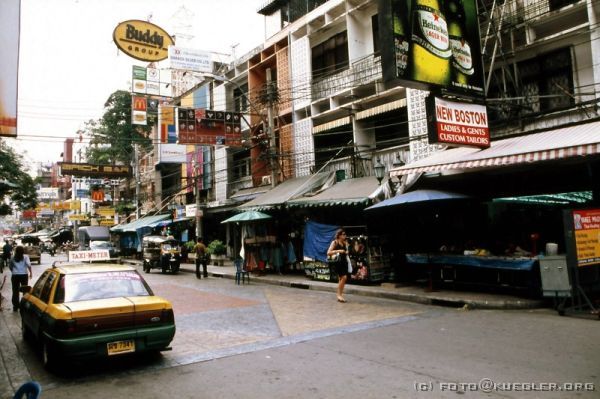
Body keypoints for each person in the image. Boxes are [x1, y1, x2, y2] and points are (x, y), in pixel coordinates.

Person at [327, 229, 349, 303]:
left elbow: (346, 252)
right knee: (344, 277)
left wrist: (346, 252)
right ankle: (339, 295)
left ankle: (340, 295)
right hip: (338, 263)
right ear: (339, 235)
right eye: (343, 234)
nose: (345, 235)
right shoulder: (335, 242)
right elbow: (328, 252)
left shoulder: (345, 242)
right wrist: (338, 251)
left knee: (341, 279)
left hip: (344, 262)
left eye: (345, 234)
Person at [9, 245, 32, 312]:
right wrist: (31, 273)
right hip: (24, 275)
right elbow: (29, 265)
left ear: (16, 251)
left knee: (15, 290)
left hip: (15, 276)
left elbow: (10, 267)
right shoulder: (26, 257)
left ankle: (15, 306)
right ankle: (24, 305)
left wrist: (14, 272)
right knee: (25, 290)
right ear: (23, 251)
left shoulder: (13, 257)